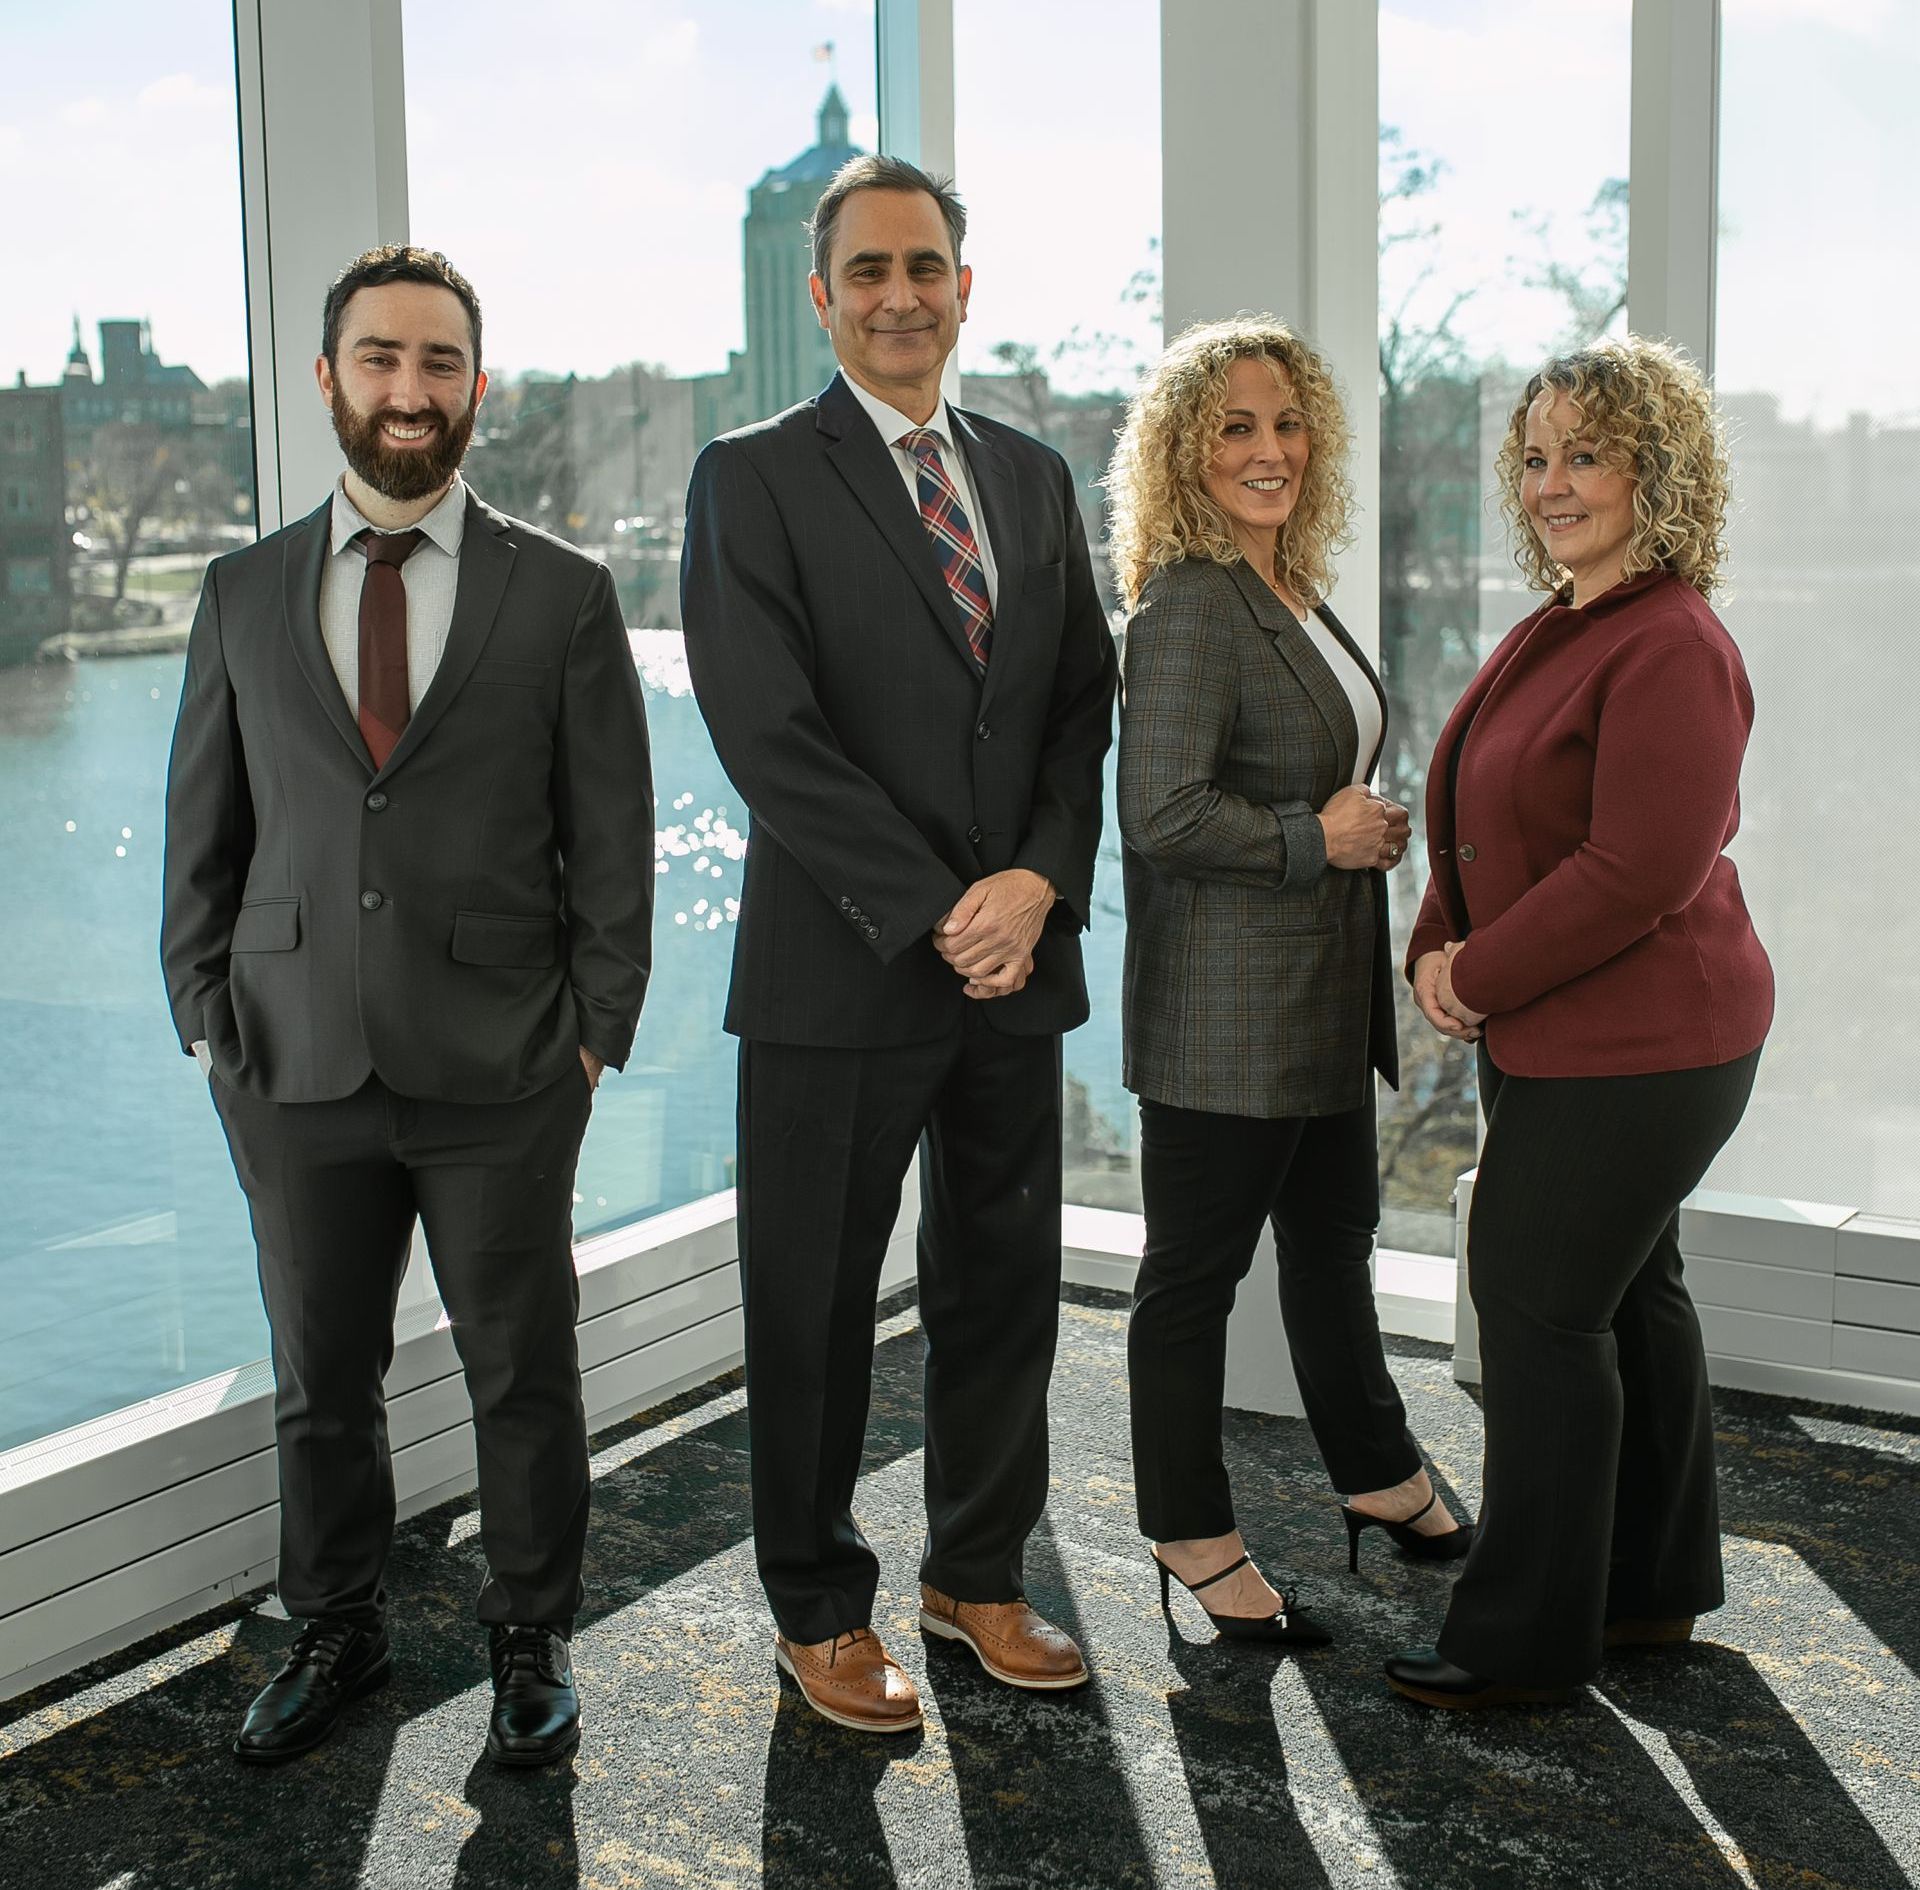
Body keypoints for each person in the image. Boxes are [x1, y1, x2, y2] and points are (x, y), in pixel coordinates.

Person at [161, 246, 654, 1766]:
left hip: (508, 1060)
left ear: (476, 389)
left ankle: (529, 1633)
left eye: (439, 363)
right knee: (322, 1372)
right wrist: (204, 1013)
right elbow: (207, 826)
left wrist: (591, 1032)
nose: (409, 390)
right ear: (328, 381)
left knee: (524, 1360)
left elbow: (612, 841)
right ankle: (339, 1624)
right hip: (292, 1057)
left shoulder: (562, 594)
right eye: (380, 359)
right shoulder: (242, 591)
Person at [680, 155, 1117, 1734]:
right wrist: (945, 905)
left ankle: (977, 1572)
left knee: (1002, 1287)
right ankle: (816, 1605)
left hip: (1016, 967)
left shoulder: (1035, 475)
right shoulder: (753, 475)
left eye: (924, 266)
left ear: (963, 285)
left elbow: (1080, 705)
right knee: (810, 1304)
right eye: (867, 271)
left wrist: (1036, 884)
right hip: (840, 967)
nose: (898, 295)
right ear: (822, 297)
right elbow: (769, 734)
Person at [1386, 335, 1772, 1709]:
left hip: (1653, 1047)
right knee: (1632, 1294)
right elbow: (1486, 807)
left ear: (1654, 470)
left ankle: (1525, 1638)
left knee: (1540, 1309)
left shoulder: (1672, 640)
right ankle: (1647, 1589)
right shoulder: (1566, 619)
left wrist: (1475, 977)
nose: (1554, 482)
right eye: (1537, 456)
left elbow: (1636, 872)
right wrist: (1440, 928)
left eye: (1587, 454)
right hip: (1589, 1035)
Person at [1104, 316, 1471, 1647]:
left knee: (1333, 1249)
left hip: (1318, 1002)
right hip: (1224, 1019)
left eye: (1288, 423)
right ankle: (1189, 1533)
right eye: (1237, 428)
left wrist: (1361, 826)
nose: (1270, 450)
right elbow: (1159, 810)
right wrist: (1322, 838)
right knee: (1190, 1280)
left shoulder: (1289, 588)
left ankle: (1376, 1476)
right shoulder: (1193, 598)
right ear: (1186, 455)